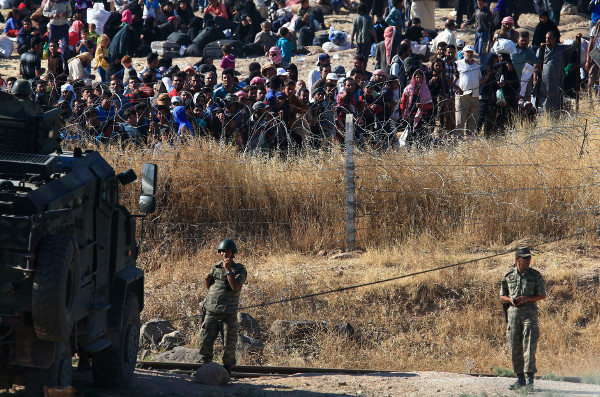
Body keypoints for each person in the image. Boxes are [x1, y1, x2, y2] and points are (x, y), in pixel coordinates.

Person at [499, 247, 546, 390]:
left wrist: (527, 298)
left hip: (529, 313)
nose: (528, 260)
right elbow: (502, 295)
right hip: (513, 314)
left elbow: (542, 295)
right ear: (517, 259)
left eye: (529, 257)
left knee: (530, 345)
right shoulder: (508, 275)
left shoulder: (535, 275)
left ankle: (530, 380)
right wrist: (510, 300)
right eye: (525, 258)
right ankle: (520, 379)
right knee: (515, 346)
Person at [199, 239, 247, 376]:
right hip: (211, 311)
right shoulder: (215, 268)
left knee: (229, 344)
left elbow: (235, 286)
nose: (225, 254)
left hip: (228, 313)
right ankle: (206, 368)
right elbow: (211, 289)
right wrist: (207, 281)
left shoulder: (239, 270)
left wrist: (228, 270)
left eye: (228, 251)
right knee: (205, 340)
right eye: (223, 251)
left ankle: (227, 372)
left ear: (233, 253)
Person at [537, 31, 581, 114]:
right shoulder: (542, 49)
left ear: (554, 39)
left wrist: (577, 39)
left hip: (556, 78)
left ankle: (555, 115)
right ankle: (545, 114)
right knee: (544, 96)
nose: (547, 40)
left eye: (549, 38)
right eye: (546, 38)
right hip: (543, 78)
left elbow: (572, 47)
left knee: (555, 96)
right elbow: (537, 63)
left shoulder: (560, 48)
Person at [455, 45, 481, 136]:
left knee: (472, 121)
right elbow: (453, 79)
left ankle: (470, 143)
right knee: (460, 120)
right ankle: (458, 142)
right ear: (463, 53)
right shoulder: (458, 64)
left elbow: (479, 79)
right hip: (462, 96)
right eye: (467, 52)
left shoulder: (476, 65)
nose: (469, 54)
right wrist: (457, 89)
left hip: (475, 95)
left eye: (471, 52)